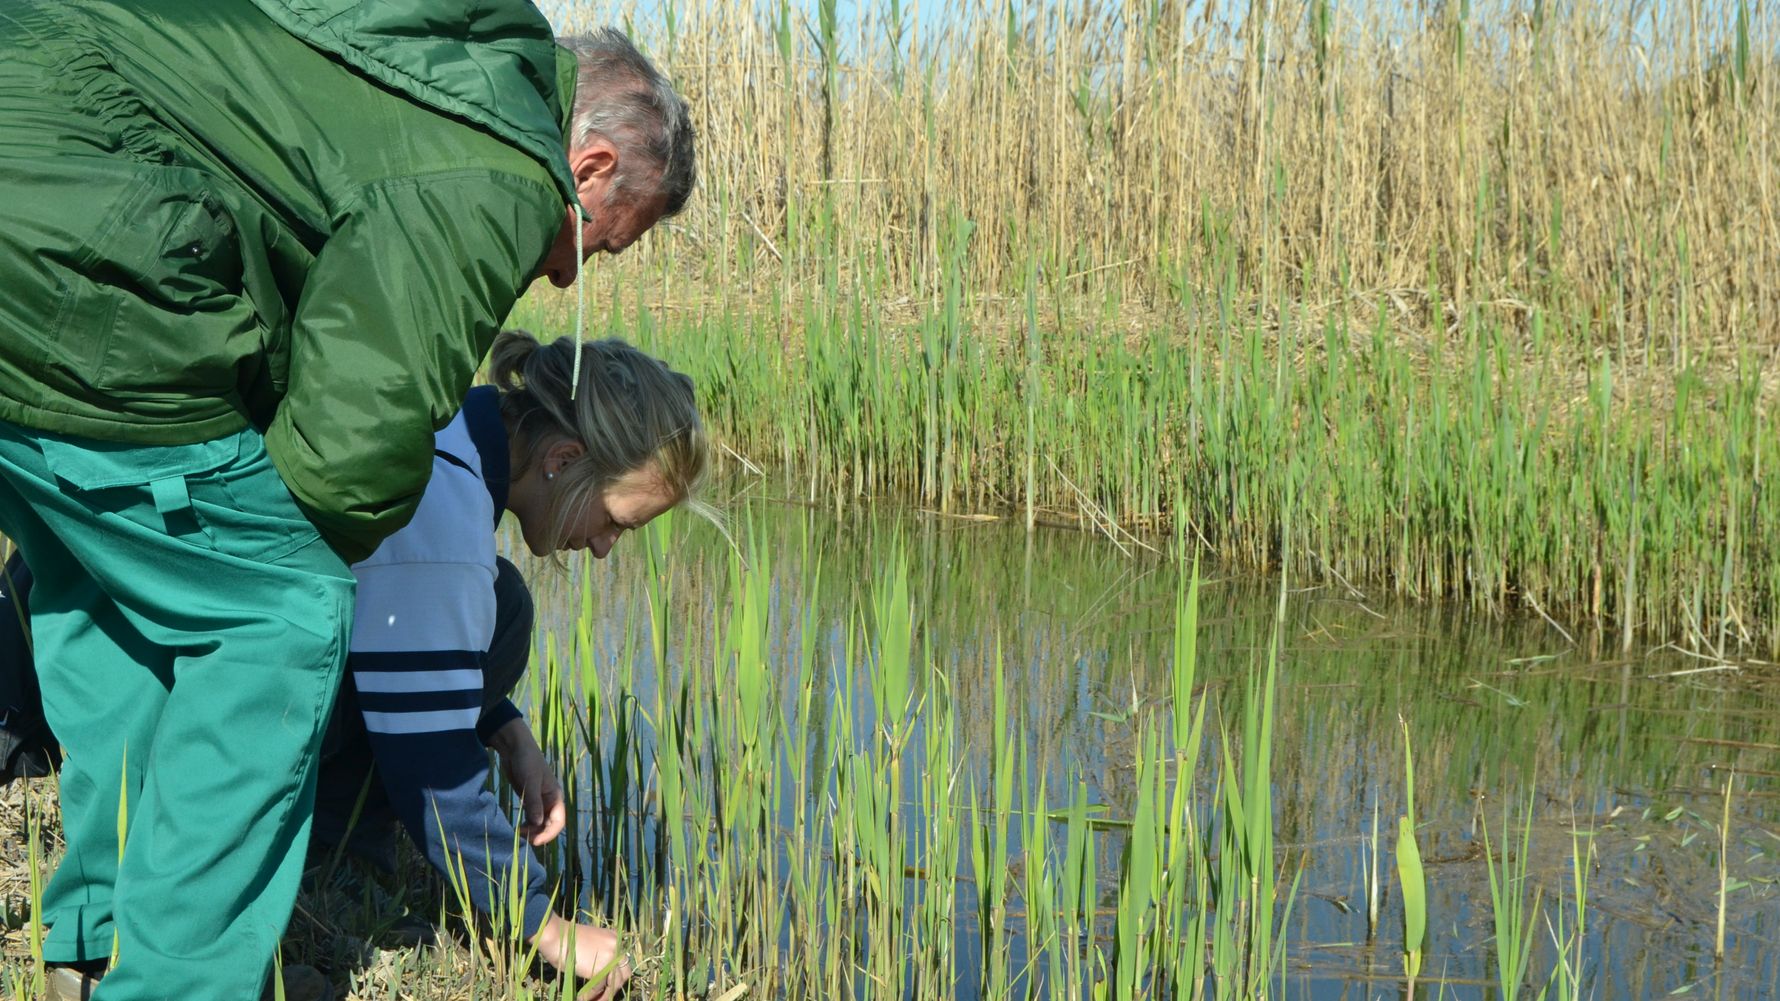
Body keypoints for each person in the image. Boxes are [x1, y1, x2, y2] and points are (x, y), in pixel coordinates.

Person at [0, 0, 695, 997]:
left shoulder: (436, 75)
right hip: (78, 248)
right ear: (585, 169)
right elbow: (348, 449)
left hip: (35, 178)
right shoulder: (502, 168)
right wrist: (542, 924)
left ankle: (97, 931)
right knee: (278, 610)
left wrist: (490, 712)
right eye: (598, 245)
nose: (560, 271)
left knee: (111, 583)